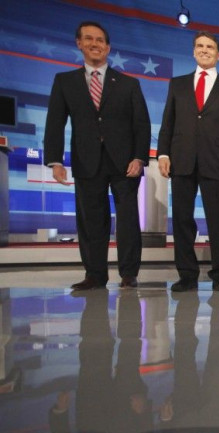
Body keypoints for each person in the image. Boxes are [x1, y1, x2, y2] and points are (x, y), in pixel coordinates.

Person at [44, 21, 151, 291]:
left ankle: (128, 274)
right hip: (86, 160)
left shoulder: (129, 84)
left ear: (108, 47)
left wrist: (139, 158)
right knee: (91, 220)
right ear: (79, 43)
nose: (95, 44)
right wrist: (55, 161)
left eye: (100, 40)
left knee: (127, 221)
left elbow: (142, 124)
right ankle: (95, 275)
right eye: (89, 39)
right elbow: (54, 123)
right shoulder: (64, 81)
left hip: (125, 163)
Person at [158, 31, 219, 292]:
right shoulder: (177, 84)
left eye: (210, 47)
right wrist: (163, 154)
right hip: (182, 161)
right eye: (200, 46)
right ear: (194, 51)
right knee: (182, 219)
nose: (204, 50)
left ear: (218, 54)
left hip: (217, 162)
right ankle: (187, 274)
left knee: (218, 220)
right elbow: (167, 123)